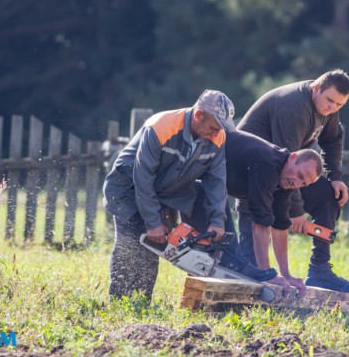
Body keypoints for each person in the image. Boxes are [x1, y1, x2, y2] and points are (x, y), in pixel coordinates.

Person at [103, 90, 274, 301]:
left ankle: (233, 262)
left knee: (204, 196)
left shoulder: (217, 138)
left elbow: (216, 184)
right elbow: (143, 176)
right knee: (138, 247)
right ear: (199, 115)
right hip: (128, 189)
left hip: (168, 189)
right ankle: (125, 301)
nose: (215, 133)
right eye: (212, 127)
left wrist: (216, 222)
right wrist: (153, 221)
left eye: (219, 129)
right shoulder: (162, 126)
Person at [237, 69, 349, 293]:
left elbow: (332, 141)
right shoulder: (294, 108)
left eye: (339, 105)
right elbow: (290, 160)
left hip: (283, 174)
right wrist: (297, 211)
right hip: (250, 175)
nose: (332, 108)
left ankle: (320, 269)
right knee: (250, 268)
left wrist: (335, 178)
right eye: (330, 101)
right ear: (316, 89)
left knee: (328, 196)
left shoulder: (329, 108)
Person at [221, 130, 323, 294]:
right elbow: (260, 223)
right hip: (198, 167)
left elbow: (280, 225)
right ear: (293, 158)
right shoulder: (268, 164)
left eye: (303, 183)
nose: (296, 184)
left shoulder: (287, 179)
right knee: (224, 245)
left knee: (230, 251)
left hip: (217, 185)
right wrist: (266, 274)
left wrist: (286, 274)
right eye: (299, 175)